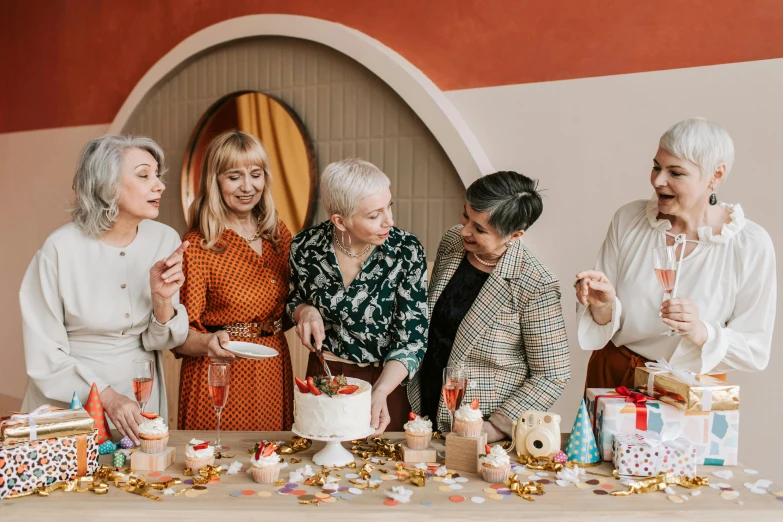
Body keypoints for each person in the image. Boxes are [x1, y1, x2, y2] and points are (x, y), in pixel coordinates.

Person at [575, 118, 776, 388]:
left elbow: (755, 349)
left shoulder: (750, 245)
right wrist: (603, 306)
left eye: (676, 173)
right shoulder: (628, 220)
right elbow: (603, 320)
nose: (658, 181)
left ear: (715, 176)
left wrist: (700, 330)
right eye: (656, 167)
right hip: (614, 380)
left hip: (687, 394)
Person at [20, 135, 189, 444]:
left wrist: (163, 301)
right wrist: (107, 397)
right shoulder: (59, 249)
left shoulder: (165, 240)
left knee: (138, 484)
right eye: (143, 175)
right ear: (108, 186)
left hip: (140, 399)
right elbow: (44, 355)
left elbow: (164, 340)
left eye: (157, 175)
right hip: (69, 402)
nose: (159, 185)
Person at [408, 171, 571, 442]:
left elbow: (551, 375)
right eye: (465, 216)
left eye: (480, 229)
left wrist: (495, 427)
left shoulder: (536, 283)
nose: (464, 231)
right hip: (422, 402)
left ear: (515, 235)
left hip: (478, 424)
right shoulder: (453, 242)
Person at [287, 158, 428, 435]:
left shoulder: (406, 250)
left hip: (388, 380)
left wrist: (381, 391)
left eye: (389, 206)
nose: (390, 220)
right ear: (340, 221)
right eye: (374, 215)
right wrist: (304, 311)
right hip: (326, 376)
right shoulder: (305, 247)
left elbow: (413, 338)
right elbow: (293, 298)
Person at [175, 131, 294, 430]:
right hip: (218, 374)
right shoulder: (199, 246)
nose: (247, 186)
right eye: (234, 176)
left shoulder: (278, 235)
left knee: (272, 467)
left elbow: (298, 299)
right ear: (214, 180)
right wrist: (209, 342)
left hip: (272, 368)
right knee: (217, 467)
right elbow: (178, 335)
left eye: (256, 174)